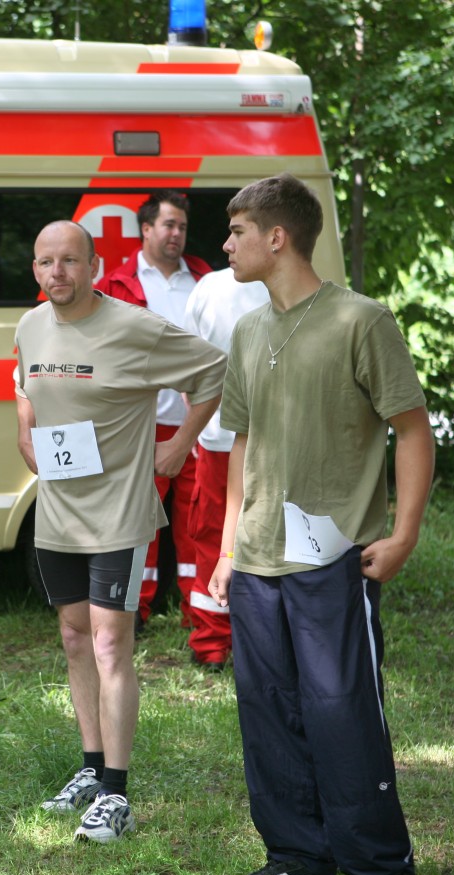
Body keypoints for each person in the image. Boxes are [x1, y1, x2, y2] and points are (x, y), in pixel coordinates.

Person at [208, 174, 434, 875]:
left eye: (237, 231)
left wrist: (403, 535)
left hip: (334, 559)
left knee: (344, 713)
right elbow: (243, 444)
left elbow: (412, 430)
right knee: (267, 712)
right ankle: (297, 856)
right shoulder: (247, 330)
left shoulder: (360, 320)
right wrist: (228, 548)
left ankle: (382, 871)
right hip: (257, 561)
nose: (226, 243)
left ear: (277, 238)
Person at [16, 219, 226, 843]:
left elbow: (214, 370)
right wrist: (23, 428)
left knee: (111, 644)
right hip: (57, 513)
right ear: (35, 269)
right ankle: (90, 767)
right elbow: (23, 382)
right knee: (75, 638)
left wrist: (181, 443)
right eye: (46, 262)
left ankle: (116, 793)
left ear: (95, 266)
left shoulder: (135, 327)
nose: (57, 272)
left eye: (70, 261)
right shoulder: (30, 325)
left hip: (119, 513)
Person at [96, 191, 213, 628]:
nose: (176, 234)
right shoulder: (117, 285)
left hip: (200, 425)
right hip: (143, 426)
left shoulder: (206, 280)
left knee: (198, 525)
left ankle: (200, 613)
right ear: (145, 229)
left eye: (182, 226)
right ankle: (134, 613)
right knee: (139, 526)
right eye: (168, 225)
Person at [182, 268, 269, 668]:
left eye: (236, 237)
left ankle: (212, 641)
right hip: (265, 440)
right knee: (262, 538)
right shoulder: (294, 285)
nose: (228, 244)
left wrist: (198, 427)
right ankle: (245, 639)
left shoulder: (208, 288)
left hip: (220, 438)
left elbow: (190, 370)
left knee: (214, 535)